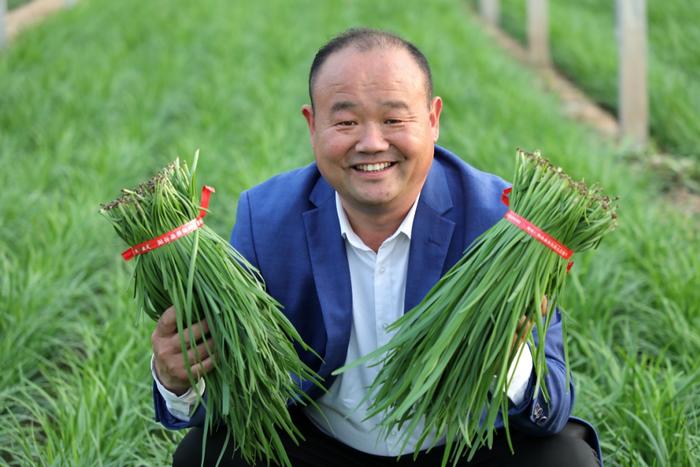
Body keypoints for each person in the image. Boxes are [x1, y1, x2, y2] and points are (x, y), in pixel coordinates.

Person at [150, 28, 602, 466]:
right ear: (313, 125)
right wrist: (178, 382)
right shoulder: (266, 217)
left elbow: (552, 407)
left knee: (567, 458)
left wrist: (509, 360)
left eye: (394, 119)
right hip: (324, 445)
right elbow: (237, 397)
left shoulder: (505, 223)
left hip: (463, 447)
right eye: (346, 121)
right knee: (204, 457)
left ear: (432, 119)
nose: (371, 143)